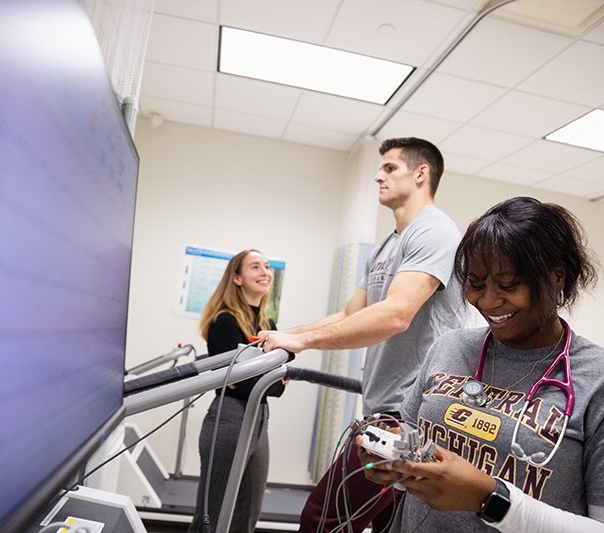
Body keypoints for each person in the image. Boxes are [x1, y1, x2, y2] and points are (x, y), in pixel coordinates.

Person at [359, 196, 604, 532]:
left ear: (556, 277)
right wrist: (395, 464)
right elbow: (421, 461)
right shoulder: (448, 350)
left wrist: (491, 500)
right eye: (475, 283)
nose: (488, 301)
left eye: (508, 285)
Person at [260, 137, 467, 531]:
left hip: (410, 413)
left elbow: (395, 315)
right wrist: (288, 334)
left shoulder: (435, 232)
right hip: (384, 405)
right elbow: (350, 313)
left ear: (421, 173)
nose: (378, 176)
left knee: (324, 518)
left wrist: (301, 342)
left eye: (390, 168)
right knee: (388, 524)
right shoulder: (388, 245)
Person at [187, 249, 285, 533]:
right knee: (212, 517)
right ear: (237, 278)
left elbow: (272, 380)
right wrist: (273, 381)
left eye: (267, 266)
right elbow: (248, 385)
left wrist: (270, 381)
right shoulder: (225, 321)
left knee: (247, 515)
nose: (264, 272)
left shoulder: (269, 326)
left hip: (259, 420)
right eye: (255, 267)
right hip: (229, 417)